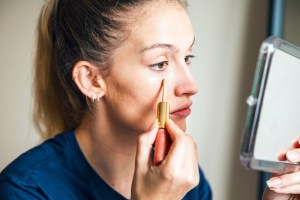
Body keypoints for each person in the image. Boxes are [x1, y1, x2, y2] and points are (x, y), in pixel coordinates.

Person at [0, 0, 299, 199]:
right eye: (160, 63)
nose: (191, 86)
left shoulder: (181, 176)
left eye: (188, 57)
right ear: (92, 80)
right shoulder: (25, 190)